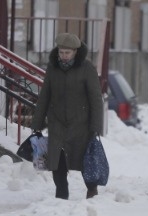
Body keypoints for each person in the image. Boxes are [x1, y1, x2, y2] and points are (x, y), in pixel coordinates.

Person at [31, 32, 104, 200]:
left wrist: (95, 127)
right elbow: (45, 95)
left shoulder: (87, 68)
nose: (63, 56)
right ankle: (61, 194)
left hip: (81, 124)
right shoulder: (52, 67)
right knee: (57, 161)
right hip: (57, 122)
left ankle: (92, 189)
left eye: (67, 53)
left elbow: (96, 99)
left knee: (85, 159)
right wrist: (37, 122)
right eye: (61, 52)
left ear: (75, 52)